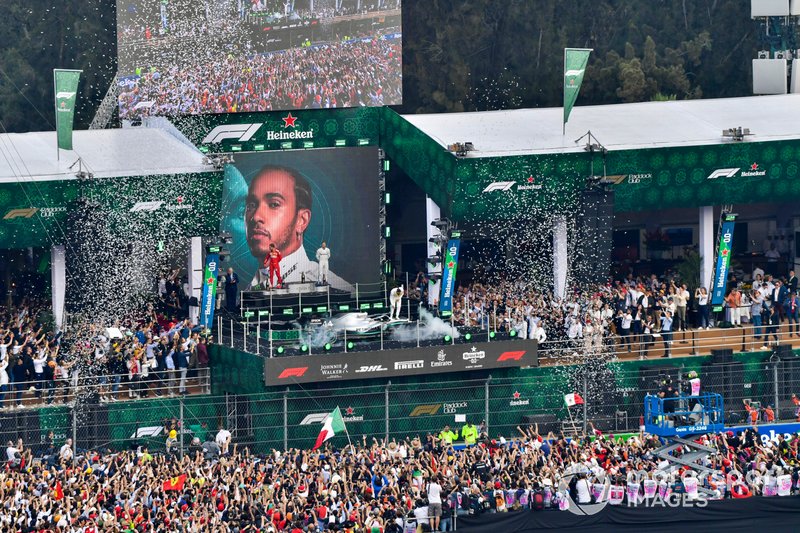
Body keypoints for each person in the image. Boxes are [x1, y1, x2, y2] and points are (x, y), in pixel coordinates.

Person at [245, 165, 353, 291]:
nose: (256, 216)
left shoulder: (337, 292)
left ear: (302, 220)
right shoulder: (248, 290)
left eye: (274, 204)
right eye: (251, 205)